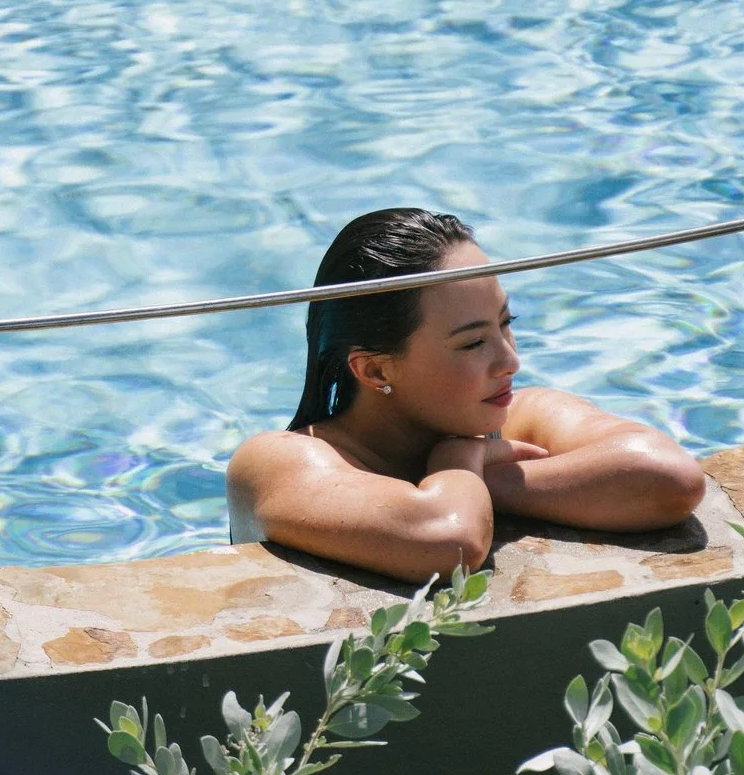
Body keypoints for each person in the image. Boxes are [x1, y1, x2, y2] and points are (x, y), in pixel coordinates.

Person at [225, 205, 707, 585]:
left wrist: (482, 477)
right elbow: (449, 541)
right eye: (473, 343)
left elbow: (669, 477)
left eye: (506, 323)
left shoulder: (517, 416)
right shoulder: (280, 461)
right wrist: (458, 460)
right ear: (374, 369)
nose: (510, 361)